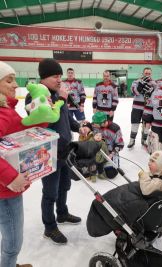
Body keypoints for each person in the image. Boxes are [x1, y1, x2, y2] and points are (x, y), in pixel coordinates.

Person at [25, 58, 86, 245]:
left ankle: (62, 213)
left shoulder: (58, 94)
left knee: (65, 186)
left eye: (60, 76)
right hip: (49, 152)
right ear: (43, 77)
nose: (59, 79)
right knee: (50, 192)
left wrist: (79, 127)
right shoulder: (36, 96)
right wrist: (61, 99)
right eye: (55, 76)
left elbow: (65, 118)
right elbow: (46, 121)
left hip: (65, 150)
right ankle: (49, 227)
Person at [87, 148, 162, 237]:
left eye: (153, 161)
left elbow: (146, 190)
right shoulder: (160, 175)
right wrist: (148, 175)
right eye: (150, 160)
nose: (149, 163)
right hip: (138, 194)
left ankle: (108, 223)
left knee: (110, 204)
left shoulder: (160, 183)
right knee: (113, 197)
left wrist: (144, 175)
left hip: (141, 200)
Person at [0, 61, 39, 267]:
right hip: (5, 190)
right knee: (13, 241)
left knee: (10, 237)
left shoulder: (7, 109)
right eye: (9, 80)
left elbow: (21, 132)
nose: (16, 85)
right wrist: (11, 177)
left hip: (7, 187)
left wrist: (41, 119)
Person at [127, 67, 157, 148]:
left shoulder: (154, 83)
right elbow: (134, 92)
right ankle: (132, 140)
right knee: (135, 123)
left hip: (148, 107)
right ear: (142, 73)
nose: (147, 75)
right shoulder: (136, 82)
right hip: (137, 107)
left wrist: (151, 92)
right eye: (146, 73)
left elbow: (156, 96)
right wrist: (141, 85)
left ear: (151, 74)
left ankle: (144, 140)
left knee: (147, 124)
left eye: (149, 73)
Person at [92, 111, 124, 176]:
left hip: (110, 153)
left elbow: (120, 144)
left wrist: (112, 153)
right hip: (98, 151)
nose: (94, 125)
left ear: (103, 123)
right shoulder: (95, 126)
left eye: (96, 124)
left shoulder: (115, 128)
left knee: (111, 174)